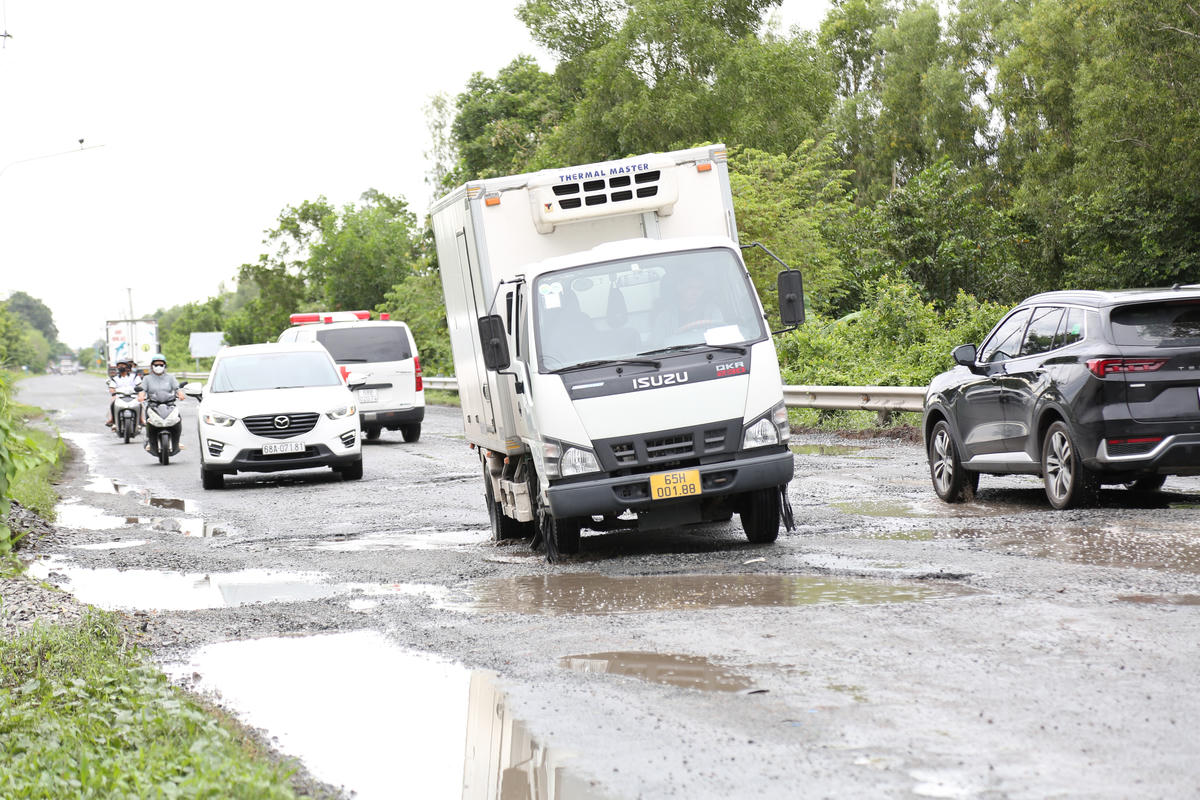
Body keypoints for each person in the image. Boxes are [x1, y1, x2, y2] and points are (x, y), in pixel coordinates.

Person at [138, 354, 187, 454]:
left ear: (165, 366)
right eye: (156, 365)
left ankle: (176, 441)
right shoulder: (147, 379)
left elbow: (177, 388)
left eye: (161, 364)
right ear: (152, 366)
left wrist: (180, 394)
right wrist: (141, 396)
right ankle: (150, 442)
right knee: (149, 421)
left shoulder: (170, 378)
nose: (158, 367)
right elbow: (142, 390)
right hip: (153, 405)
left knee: (177, 419)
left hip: (169, 404)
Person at [105, 359, 140, 427]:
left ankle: (141, 420)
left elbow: (139, 385)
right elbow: (112, 388)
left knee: (141, 403)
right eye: (119, 365)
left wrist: (140, 392)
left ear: (127, 367)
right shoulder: (114, 379)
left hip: (133, 396)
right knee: (112, 401)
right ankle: (112, 419)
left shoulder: (134, 376)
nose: (121, 367)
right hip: (119, 396)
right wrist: (113, 392)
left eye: (123, 365)